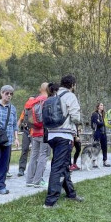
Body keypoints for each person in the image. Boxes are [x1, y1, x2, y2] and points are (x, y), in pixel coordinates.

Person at [43, 76, 85, 208]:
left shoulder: (54, 94)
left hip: (52, 135)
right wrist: (79, 122)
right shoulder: (70, 96)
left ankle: (71, 193)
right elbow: (75, 117)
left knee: (64, 164)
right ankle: (50, 202)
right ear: (72, 84)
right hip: (64, 135)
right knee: (58, 167)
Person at [25, 83, 51, 188]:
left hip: (34, 131)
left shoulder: (33, 101)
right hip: (44, 132)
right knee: (43, 155)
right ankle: (38, 180)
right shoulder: (47, 101)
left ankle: (29, 180)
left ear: (40, 89)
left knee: (33, 155)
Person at [90, 103, 109, 167]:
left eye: (103, 105)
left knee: (104, 147)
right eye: (101, 105)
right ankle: (94, 162)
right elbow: (96, 123)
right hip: (97, 132)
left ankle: (105, 161)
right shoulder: (95, 114)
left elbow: (104, 123)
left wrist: (102, 123)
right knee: (96, 147)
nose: (102, 106)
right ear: (98, 107)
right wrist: (103, 123)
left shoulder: (103, 115)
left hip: (104, 133)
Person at [16, 102, 32, 177]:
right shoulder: (25, 110)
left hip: (35, 132)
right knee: (24, 150)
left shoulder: (38, 108)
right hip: (26, 131)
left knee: (36, 151)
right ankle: (21, 169)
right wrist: (15, 129)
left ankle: (34, 170)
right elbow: (20, 120)